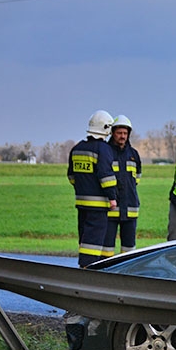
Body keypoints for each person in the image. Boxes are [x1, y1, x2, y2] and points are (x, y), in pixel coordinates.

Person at [67, 110, 118, 267]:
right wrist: (112, 197)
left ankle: (83, 265)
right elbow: (106, 176)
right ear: (106, 128)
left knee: (84, 236)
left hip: (82, 203)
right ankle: (89, 269)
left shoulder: (77, 148)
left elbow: (71, 176)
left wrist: (83, 188)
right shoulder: (103, 149)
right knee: (93, 240)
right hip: (98, 205)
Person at [103, 114, 142, 256]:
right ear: (112, 133)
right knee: (107, 248)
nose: (122, 136)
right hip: (110, 209)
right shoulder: (105, 152)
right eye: (119, 133)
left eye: (125, 133)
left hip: (130, 208)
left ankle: (127, 275)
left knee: (129, 250)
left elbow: (137, 178)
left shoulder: (134, 154)